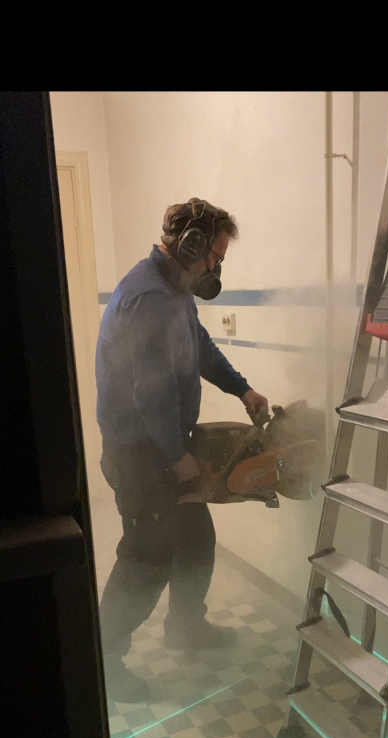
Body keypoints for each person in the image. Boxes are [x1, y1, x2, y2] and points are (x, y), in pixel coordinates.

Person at [95, 198, 268, 702]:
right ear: (191, 244)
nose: (217, 266)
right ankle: (103, 662)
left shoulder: (175, 292)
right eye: (215, 255)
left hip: (160, 445)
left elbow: (200, 347)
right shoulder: (148, 298)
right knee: (146, 558)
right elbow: (150, 394)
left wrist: (242, 389)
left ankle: (186, 627)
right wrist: (178, 457)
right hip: (139, 454)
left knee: (194, 539)